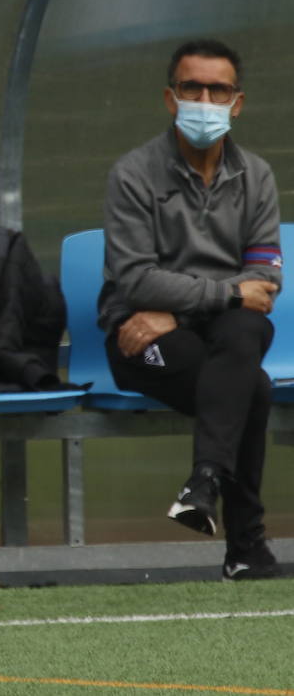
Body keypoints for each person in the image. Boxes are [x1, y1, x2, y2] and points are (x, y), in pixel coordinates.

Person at [100, 38, 283, 581]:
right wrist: (221, 297)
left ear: (238, 101)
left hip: (214, 334)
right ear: (170, 97)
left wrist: (181, 307)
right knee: (252, 385)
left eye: (218, 89)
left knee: (248, 327)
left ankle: (206, 484)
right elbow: (135, 282)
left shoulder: (257, 177)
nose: (205, 99)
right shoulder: (133, 174)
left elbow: (265, 281)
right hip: (139, 339)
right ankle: (245, 544)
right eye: (192, 88)